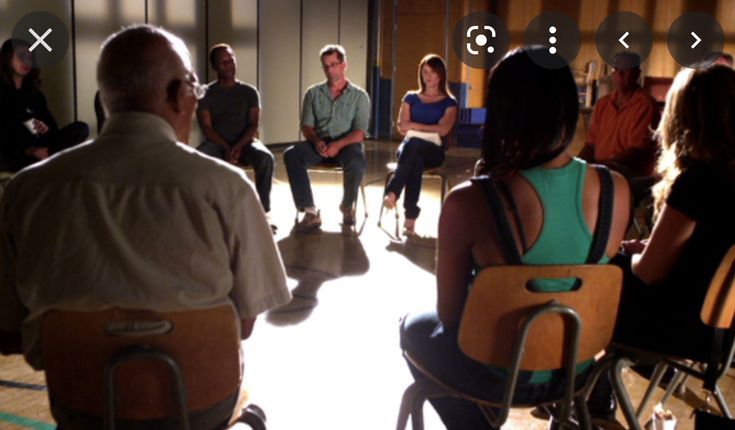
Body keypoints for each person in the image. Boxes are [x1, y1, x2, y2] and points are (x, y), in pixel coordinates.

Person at [0, 24, 291, 428]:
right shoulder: (227, 188)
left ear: (103, 100)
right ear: (176, 94)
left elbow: (9, 331)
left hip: (81, 404)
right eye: (195, 88)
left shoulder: (25, 192)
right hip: (202, 403)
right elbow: (244, 323)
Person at [399, 46, 631, 429]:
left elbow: (452, 315)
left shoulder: (469, 202)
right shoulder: (616, 190)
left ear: (501, 113)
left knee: (412, 327)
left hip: (494, 372)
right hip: (575, 366)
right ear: (568, 108)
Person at [614, 64, 735, 363]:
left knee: (601, 273)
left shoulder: (698, 181)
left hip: (686, 330)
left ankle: (581, 393)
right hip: (728, 333)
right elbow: (713, 252)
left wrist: (629, 256)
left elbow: (648, 273)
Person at [283, 44, 370, 232]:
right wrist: (316, 141)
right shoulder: (313, 93)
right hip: (319, 143)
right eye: (326, 66)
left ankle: (347, 206)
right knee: (292, 154)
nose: (330, 70)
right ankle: (310, 211)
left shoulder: (360, 96)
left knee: (357, 160)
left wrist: (338, 144)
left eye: (334, 64)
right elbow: (306, 125)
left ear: (344, 64)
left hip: (346, 144)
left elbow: (360, 132)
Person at [196, 43, 275, 229]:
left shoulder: (249, 92)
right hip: (216, 142)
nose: (229, 64)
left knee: (266, 158)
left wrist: (239, 145)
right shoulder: (205, 93)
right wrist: (225, 146)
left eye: (231, 59)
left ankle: (262, 213)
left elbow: (253, 124)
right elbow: (206, 127)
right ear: (214, 67)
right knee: (197, 159)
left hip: (245, 142)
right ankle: (204, 213)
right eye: (223, 62)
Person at [383, 54, 457, 235]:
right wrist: (431, 127)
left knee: (414, 145)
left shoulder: (449, 102)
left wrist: (415, 126)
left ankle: (393, 193)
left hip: (434, 150)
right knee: (415, 159)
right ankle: (410, 222)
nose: (428, 76)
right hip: (410, 149)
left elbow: (444, 130)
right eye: (424, 72)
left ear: (441, 74)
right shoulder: (411, 97)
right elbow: (401, 126)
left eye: (432, 72)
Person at [0, 38, 89, 172]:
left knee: (81, 128)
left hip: (44, 148)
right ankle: (50, 158)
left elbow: (53, 130)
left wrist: (45, 127)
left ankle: (50, 155)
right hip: (16, 153)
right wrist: (29, 149)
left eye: (30, 57)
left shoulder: (35, 95)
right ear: (8, 58)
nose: (26, 61)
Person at [579, 51, 660, 178]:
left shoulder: (645, 105)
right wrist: (577, 164)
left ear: (637, 74)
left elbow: (635, 153)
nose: (620, 75)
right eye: (616, 70)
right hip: (602, 169)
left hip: (630, 172)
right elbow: (590, 145)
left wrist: (600, 165)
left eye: (626, 70)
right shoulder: (603, 104)